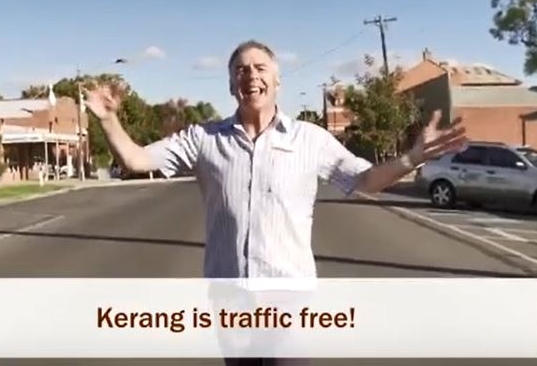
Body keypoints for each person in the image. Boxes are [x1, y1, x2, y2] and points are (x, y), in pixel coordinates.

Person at [84, 40, 467, 365]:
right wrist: (108, 121)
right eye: (241, 69)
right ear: (232, 83)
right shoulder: (204, 138)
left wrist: (412, 158)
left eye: (260, 67)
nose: (251, 75)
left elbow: (365, 181)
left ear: (277, 80)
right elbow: (136, 160)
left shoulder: (310, 139)